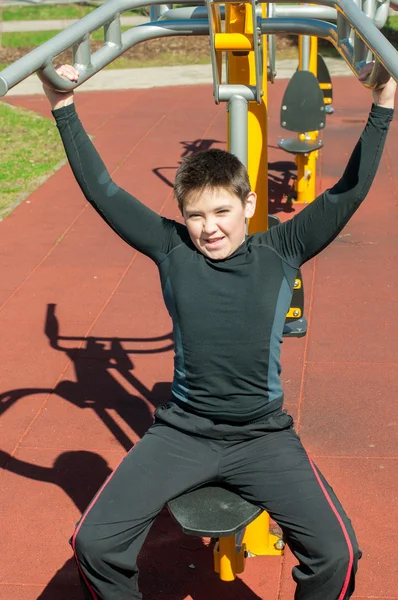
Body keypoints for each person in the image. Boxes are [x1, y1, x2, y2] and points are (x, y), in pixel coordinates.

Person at [42, 63, 396, 600]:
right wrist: (61, 105)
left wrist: (383, 102)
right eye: (196, 215)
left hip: (262, 436)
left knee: (337, 553)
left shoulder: (282, 249)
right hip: (184, 432)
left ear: (249, 205)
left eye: (223, 211)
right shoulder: (172, 250)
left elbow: (346, 193)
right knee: (93, 542)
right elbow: (105, 192)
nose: (210, 228)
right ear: (182, 215)